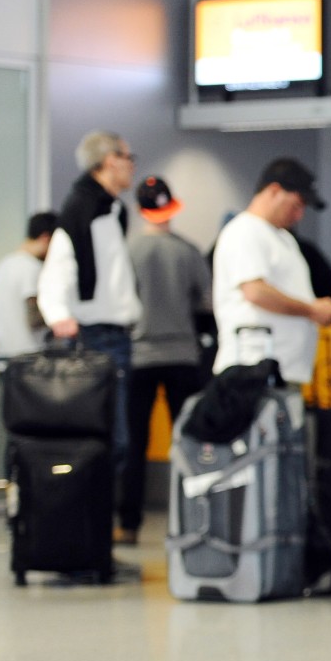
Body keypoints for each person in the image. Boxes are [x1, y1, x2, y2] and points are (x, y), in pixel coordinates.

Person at [37, 130, 143, 501]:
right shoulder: (84, 210)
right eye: (129, 158)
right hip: (96, 337)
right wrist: (60, 316)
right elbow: (57, 272)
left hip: (113, 334)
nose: (132, 166)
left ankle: (95, 547)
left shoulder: (111, 210)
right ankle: (84, 547)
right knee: (105, 442)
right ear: (110, 160)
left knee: (114, 443)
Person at [123, 176, 212, 545]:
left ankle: (128, 523)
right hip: (182, 355)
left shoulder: (128, 252)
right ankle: (193, 517)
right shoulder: (188, 251)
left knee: (134, 442)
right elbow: (206, 302)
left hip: (140, 354)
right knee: (187, 441)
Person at [211, 158, 331, 385]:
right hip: (252, 367)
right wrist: (311, 310)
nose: (299, 215)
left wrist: (319, 308)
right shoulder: (244, 231)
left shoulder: (284, 238)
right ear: (274, 191)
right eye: (296, 204)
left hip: (283, 369)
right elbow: (256, 292)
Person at [0, 212, 58, 360]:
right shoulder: (32, 268)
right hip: (29, 361)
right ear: (46, 238)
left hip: (5, 358)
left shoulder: (4, 265)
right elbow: (34, 319)